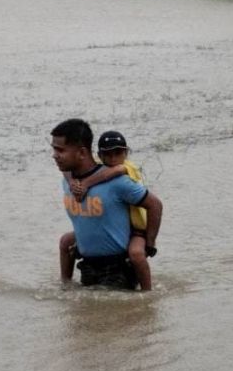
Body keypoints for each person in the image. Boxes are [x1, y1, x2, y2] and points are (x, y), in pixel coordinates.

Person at [50, 119, 161, 290]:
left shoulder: (118, 182)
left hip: (118, 270)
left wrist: (149, 244)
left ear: (81, 152)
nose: (54, 155)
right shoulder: (68, 181)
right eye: (53, 149)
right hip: (87, 268)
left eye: (60, 150)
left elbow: (155, 205)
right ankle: (65, 286)